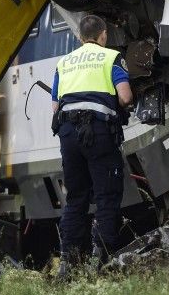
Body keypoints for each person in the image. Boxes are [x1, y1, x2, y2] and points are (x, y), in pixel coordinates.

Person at [51, 15, 133, 276]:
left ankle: (68, 261)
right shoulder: (110, 57)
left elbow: (55, 106)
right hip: (98, 132)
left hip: (68, 134)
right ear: (104, 35)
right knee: (106, 195)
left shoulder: (63, 63)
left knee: (76, 197)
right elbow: (125, 96)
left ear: (79, 38)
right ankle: (101, 259)